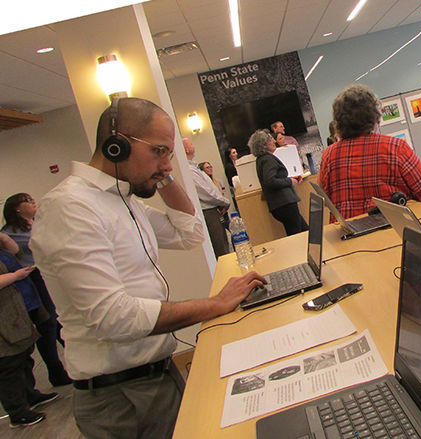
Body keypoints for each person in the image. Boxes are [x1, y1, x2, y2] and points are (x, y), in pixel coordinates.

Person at [29, 97, 267, 439]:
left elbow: (191, 232)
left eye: (169, 153)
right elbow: (114, 317)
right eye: (158, 151)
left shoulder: (121, 199)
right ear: (117, 145)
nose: (168, 164)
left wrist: (161, 174)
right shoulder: (71, 208)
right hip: (121, 397)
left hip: (155, 376)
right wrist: (213, 305)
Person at [319, 84, 421, 219]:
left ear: (338, 121)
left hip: (349, 235)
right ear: (374, 116)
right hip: (395, 230)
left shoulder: (329, 155)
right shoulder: (396, 147)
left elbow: (324, 198)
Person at [2, 193, 71, 387]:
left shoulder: (37, 224)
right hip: (31, 280)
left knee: (57, 322)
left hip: (47, 276)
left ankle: (72, 364)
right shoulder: (10, 233)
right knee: (47, 324)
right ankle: (55, 370)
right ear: (16, 208)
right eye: (28, 201)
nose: (34, 203)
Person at [0, 234, 59, 429]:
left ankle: (29, 394)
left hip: (17, 308)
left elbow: (15, 250)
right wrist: (15, 276)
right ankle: (17, 411)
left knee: (24, 355)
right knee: (9, 364)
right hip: (4, 314)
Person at [248, 129, 309, 236]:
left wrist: (290, 179)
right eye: (271, 139)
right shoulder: (267, 159)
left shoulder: (261, 160)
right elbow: (270, 181)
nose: (274, 141)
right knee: (298, 236)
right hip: (285, 203)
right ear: (264, 144)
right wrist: (289, 181)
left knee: (305, 232)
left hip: (280, 205)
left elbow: (273, 178)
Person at [183, 138, 231, 257]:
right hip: (209, 213)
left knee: (225, 244)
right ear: (186, 150)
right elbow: (206, 193)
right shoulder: (189, 170)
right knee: (221, 249)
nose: (193, 146)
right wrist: (225, 201)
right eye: (191, 144)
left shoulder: (194, 168)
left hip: (214, 210)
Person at [199, 161, 231, 228]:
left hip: (223, 207)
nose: (210, 169)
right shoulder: (204, 184)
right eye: (207, 168)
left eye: (210, 167)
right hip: (214, 209)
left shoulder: (217, 181)